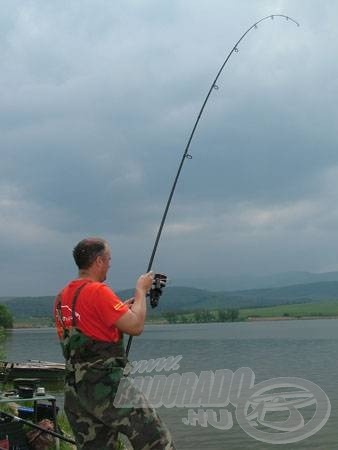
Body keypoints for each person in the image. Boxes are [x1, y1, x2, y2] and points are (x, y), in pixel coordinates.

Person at [54, 237, 175, 449]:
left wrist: (122, 310)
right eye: (109, 259)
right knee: (158, 441)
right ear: (99, 261)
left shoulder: (61, 297)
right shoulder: (98, 291)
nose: (110, 263)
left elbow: (90, 329)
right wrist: (141, 291)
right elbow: (136, 326)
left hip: (75, 392)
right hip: (107, 387)